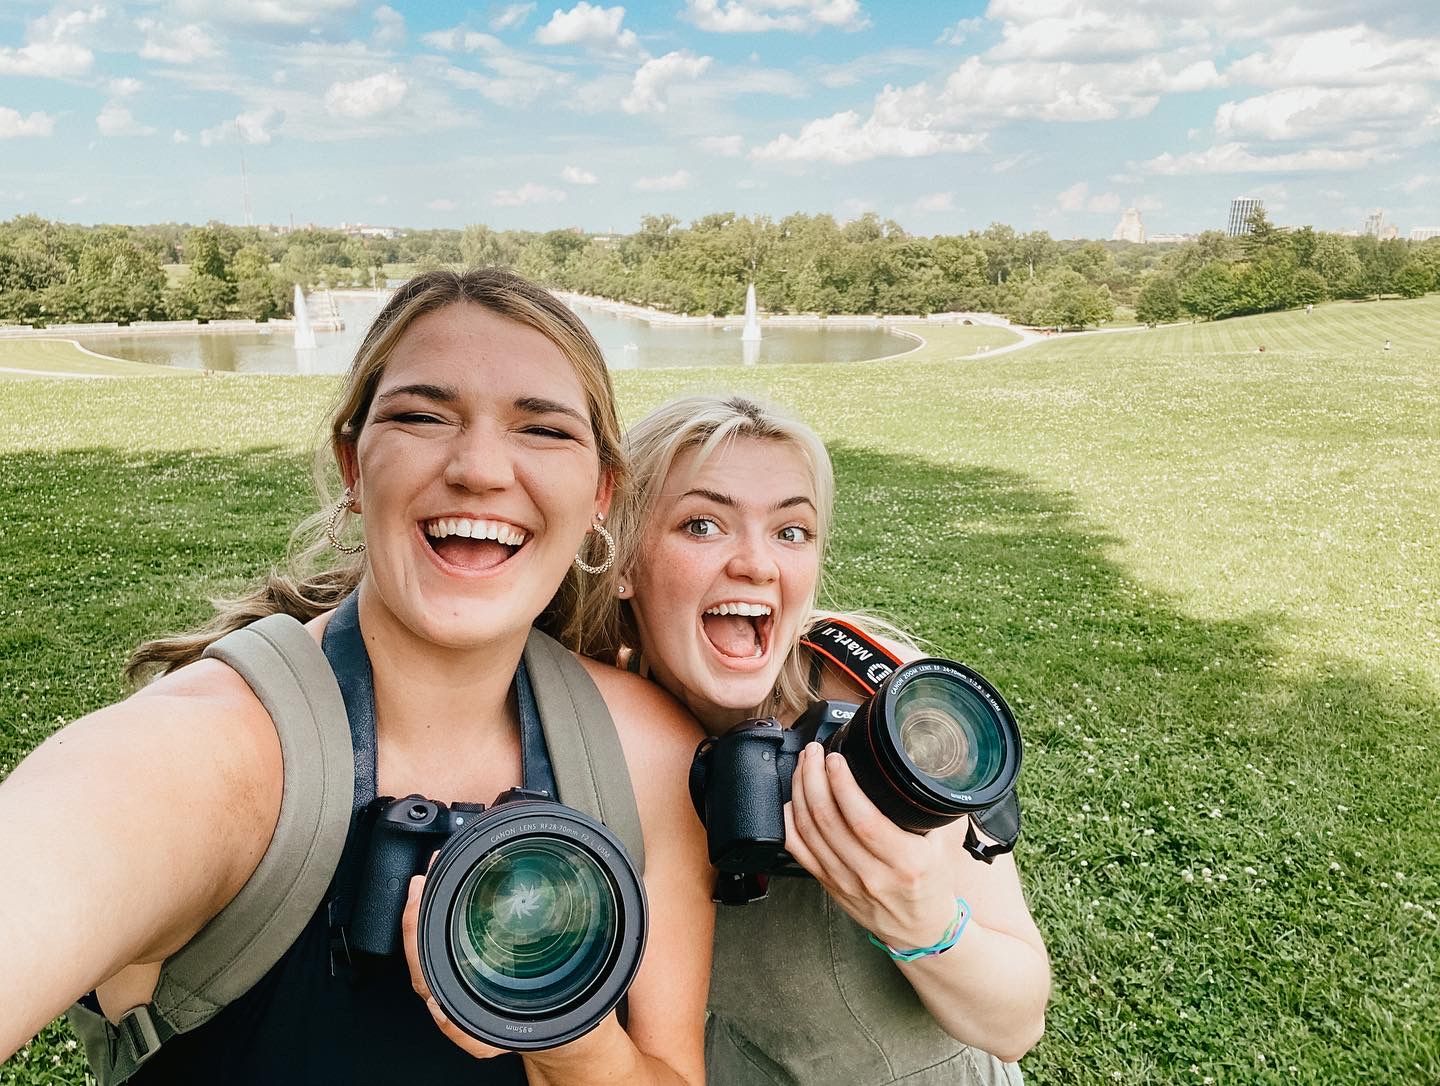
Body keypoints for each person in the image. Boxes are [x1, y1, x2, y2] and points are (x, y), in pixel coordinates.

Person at [0, 269, 713, 1085]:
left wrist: (566, 1034)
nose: (480, 467)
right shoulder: (199, 760)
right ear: (352, 464)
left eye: (543, 430)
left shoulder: (646, 756)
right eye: (421, 415)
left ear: (600, 492)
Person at [582, 393, 1050, 1085]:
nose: (758, 565)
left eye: (791, 532)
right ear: (623, 564)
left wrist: (920, 922)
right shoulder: (584, 722)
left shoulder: (888, 710)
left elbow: (1017, 1024)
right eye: (703, 524)